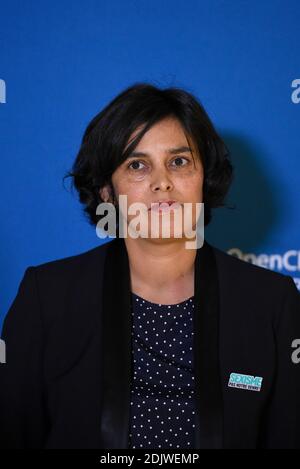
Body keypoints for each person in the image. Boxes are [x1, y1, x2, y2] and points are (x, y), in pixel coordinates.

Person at [0, 82, 299, 449]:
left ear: (204, 178)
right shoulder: (47, 298)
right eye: (137, 165)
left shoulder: (271, 302)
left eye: (179, 161)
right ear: (107, 190)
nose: (162, 183)